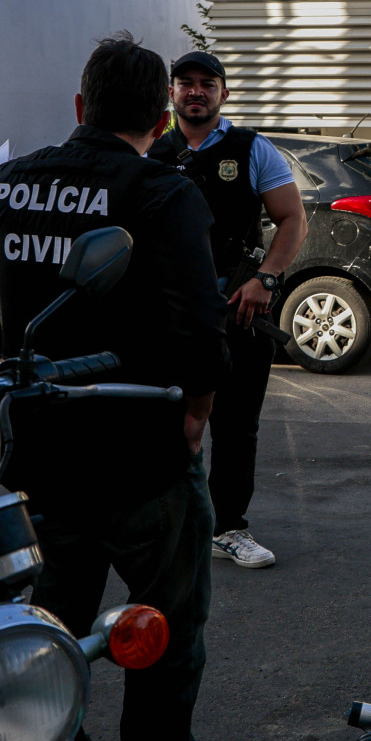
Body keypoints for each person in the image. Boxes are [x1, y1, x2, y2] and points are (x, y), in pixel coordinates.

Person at [0, 33, 278, 741]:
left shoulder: (18, 184)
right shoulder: (162, 190)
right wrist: (195, 416)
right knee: (165, 631)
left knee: (49, 633)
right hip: (139, 460)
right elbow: (202, 334)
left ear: (80, 107)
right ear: (160, 118)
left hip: (39, 461)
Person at [150, 50, 308, 571]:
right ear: (171, 93)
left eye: (207, 84)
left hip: (239, 310)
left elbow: (292, 219)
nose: (196, 92)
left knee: (237, 426)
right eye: (185, 83)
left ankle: (229, 528)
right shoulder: (150, 148)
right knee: (165, 421)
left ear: (224, 93)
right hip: (169, 315)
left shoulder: (251, 148)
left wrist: (266, 279)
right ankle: (168, 523)